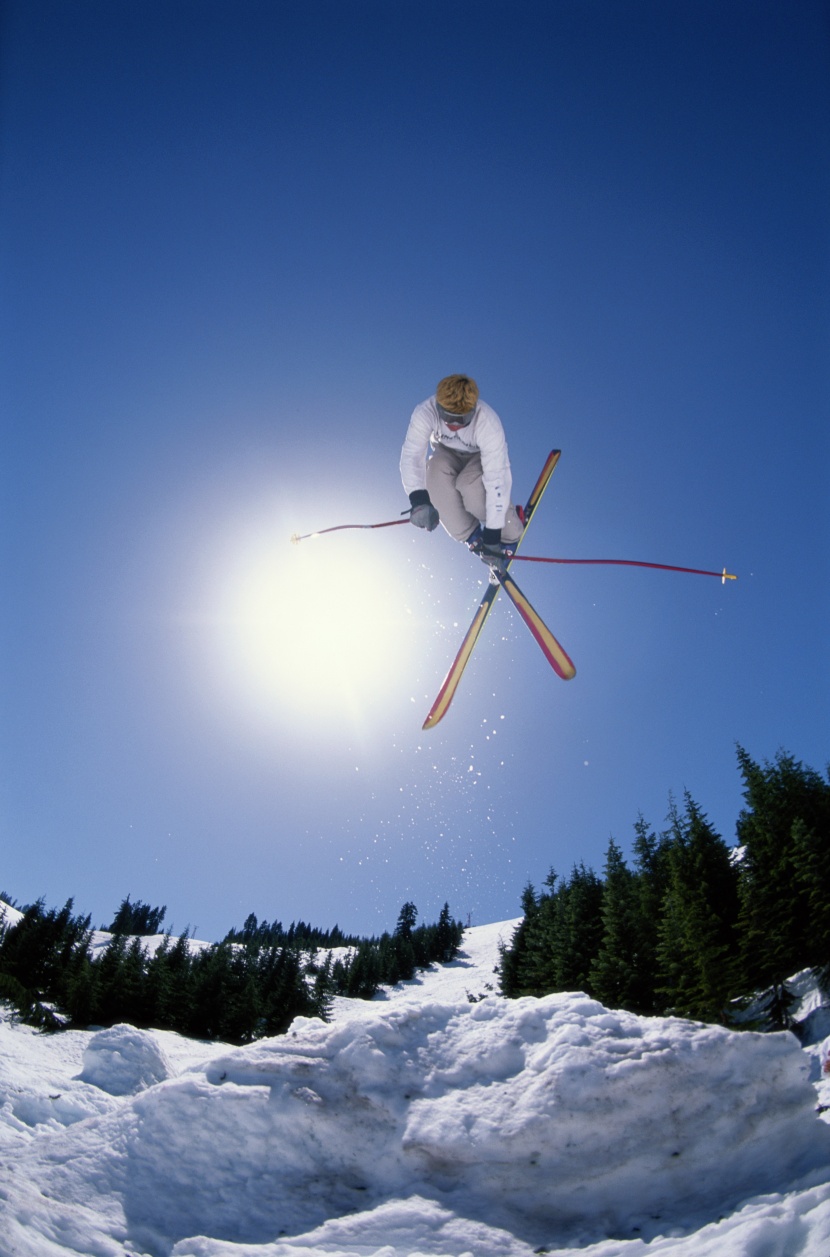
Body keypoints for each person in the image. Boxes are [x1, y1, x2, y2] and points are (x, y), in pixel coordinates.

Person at [400, 374, 523, 569]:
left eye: (462, 419)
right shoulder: (425, 412)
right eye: (448, 417)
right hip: (446, 453)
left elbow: (496, 478)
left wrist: (493, 532)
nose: (455, 426)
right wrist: (418, 500)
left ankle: (509, 532)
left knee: (470, 487)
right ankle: (471, 534)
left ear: (473, 411)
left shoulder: (487, 423)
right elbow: (412, 455)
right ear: (438, 407)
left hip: (478, 458)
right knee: (433, 475)